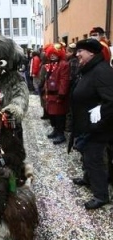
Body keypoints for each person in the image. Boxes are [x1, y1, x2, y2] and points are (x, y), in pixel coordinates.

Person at [69, 38, 113, 209]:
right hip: (87, 125)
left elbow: (111, 101)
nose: (77, 54)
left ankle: (101, 195)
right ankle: (88, 179)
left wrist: (98, 118)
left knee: (95, 159)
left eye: (80, 51)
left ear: (91, 53)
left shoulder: (102, 71)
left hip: (98, 128)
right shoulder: (89, 69)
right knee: (86, 155)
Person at [44, 43, 70, 144]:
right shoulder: (50, 65)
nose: (52, 56)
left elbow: (64, 80)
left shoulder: (64, 64)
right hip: (50, 94)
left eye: (54, 54)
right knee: (52, 115)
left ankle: (61, 134)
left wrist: (61, 94)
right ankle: (55, 130)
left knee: (59, 116)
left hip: (58, 95)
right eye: (50, 54)